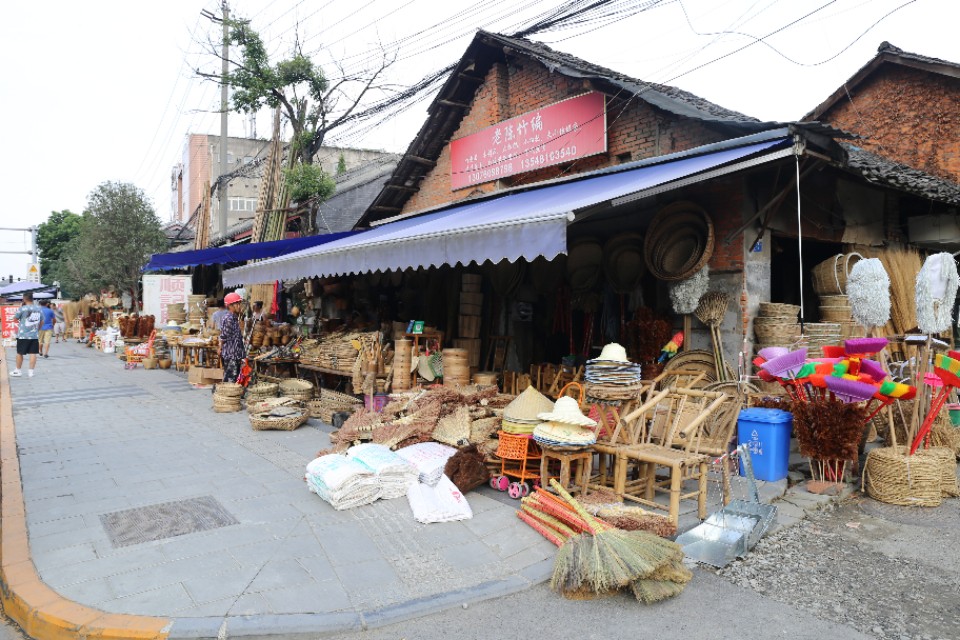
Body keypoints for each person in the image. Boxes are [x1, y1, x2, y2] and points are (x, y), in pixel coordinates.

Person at [12, 292, 43, 377]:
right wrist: (38, 329)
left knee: (20, 353)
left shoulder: (22, 309)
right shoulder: (38, 308)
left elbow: (15, 319)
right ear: (32, 298)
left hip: (23, 335)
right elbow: (42, 321)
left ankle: (18, 370)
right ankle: (31, 372)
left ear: (24, 299)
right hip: (34, 335)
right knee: (33, 353)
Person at [218, 292, 245, 383]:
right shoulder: (229, 318)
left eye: (239, 303)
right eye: (237, 304)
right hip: (231, 354)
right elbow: (224, 336)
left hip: (236, 354)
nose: (239, 306)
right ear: (230, 306)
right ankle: (227, 396)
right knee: (230, 379)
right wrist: (220, 348)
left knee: (235, 378)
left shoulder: (234, 317)